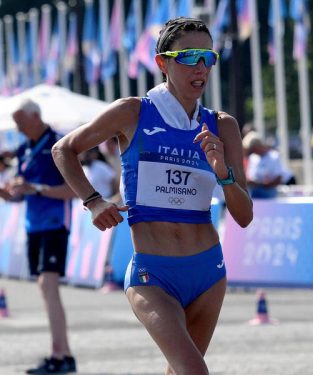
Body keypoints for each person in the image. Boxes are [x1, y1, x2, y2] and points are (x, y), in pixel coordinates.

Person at [51, 18, 252, 375]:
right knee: (194, 371)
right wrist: (94, 200)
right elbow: (63, 149)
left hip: (209, 271)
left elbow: (244, 215)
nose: (201, 67)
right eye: (190, 57)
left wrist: (223, 174)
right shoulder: (132, 112)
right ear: (163, 62)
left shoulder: (223, 125)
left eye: (208, 57)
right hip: (153, 275)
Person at [0, 99, 78, 374]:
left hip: (55, 223)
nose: (19, 129)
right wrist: (8, 192)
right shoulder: (24, 149)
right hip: (33, 225)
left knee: (48, 285)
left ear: (36, 117)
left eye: (21, 122)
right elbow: (20, 196)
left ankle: (61, 355)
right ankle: (62, 353)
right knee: (45, 288)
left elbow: (74, 190)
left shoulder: (59, 145)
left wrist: (36, 188)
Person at [243, 133, 285, 199]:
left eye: (252, 149)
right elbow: (249, 177)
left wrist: (263, 184)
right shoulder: (252, 158)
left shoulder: (274, 156)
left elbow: (279, 179)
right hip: (254, 194)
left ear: (257, 146)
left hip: (270, 195)